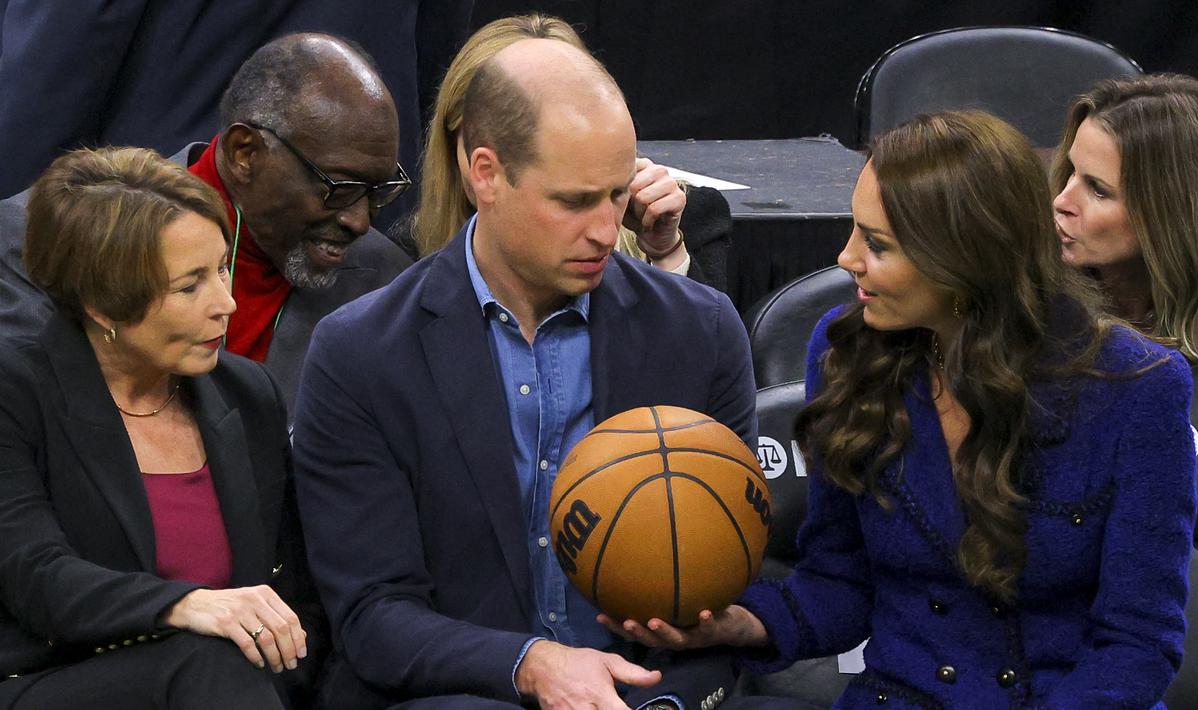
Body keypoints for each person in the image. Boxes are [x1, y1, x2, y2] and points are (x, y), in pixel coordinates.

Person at [605, 111, 1197, 709]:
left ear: (964, 258)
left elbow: (1137, 645)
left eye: (877, 244)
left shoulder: (1137, 386)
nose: (846, 258)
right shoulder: (845, 353)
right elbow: (840, 586)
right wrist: (738, 623)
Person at [293, 38, 758, 709]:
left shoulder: (701, 332)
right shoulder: (360, 354)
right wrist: (531, 664)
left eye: (616, 194)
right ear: (485, 173)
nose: (605, 229)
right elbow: (372, 615)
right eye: (573, 202)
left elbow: (726, 578)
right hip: (459, 695)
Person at [0, 147, 321, 709]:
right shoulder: (16, 390)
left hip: (225, 690)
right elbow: (35, 576)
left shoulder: (247, 394)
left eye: (223, 267)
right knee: (210, 661)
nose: (226, 303)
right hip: (56, 681)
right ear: (103, 304)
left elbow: (288, 586)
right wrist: (184, 604)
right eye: (190, 285)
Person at [0, 33, 414, 421]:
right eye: (338, 188)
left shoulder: (388, 285)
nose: (359, 220)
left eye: (380, 190)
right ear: (244, 153)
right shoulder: (41, 237)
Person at [0, 0, 475, 232]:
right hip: (358, 205)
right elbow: (439, 47)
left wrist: (23, 238)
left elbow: (50, 70)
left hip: (158, 219)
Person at [406, 13, 733, 288]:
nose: (603, 235)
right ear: (462, 152)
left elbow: (706, 354)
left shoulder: (686, 220)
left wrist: (666, 253)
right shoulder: (407, 256)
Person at [1052, 73, 1198, 364]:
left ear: (1172, 214)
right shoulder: (1029, 301)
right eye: (1072, 170)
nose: (1061, 201)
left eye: (1098, 190)